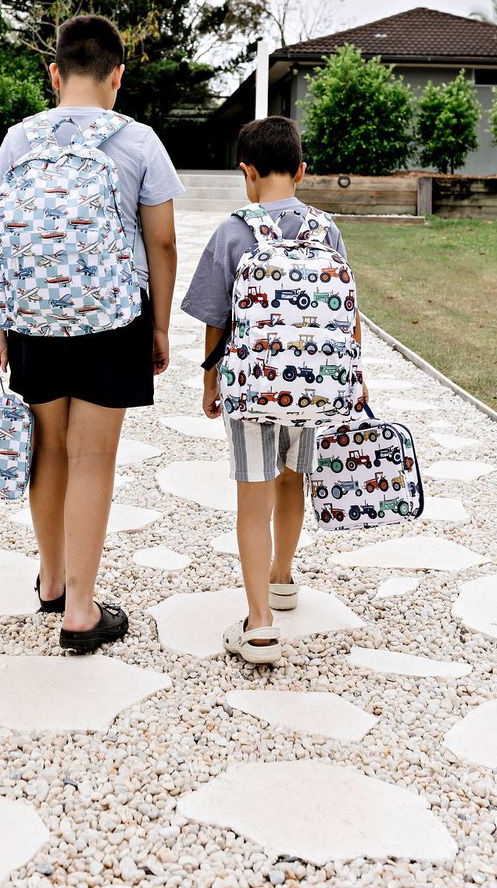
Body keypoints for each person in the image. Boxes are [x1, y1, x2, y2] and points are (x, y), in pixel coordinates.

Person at [0, 14, 183, 652]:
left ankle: (53, 582)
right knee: (92, 456)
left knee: (48, 449)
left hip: (33, 316)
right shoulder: (139, 140)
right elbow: (163, 242)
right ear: (117, 76)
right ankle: (82, 612)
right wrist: (160, 325)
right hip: (113, 317)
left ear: (55, 73)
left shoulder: (18, 140)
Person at [181, 116, 368, 664]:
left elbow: (216, 317)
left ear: (248, 172)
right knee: (292, 481)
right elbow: (348, 314)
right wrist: (354, 376)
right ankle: (283, 576)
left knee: (253, 495)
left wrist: (211, 379)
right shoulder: (326, 230)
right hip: (316, 386)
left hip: (252, 386)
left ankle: (260, 622)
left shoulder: (233, 231)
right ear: (301, 171)